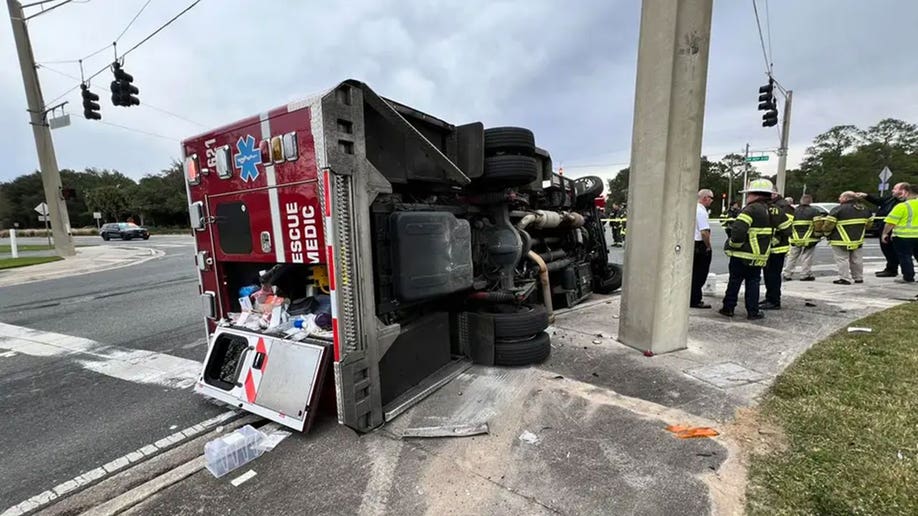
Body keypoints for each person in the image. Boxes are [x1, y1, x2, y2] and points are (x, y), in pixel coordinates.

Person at [719, 179, 775, 320]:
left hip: (742, 254)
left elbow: (738, 231)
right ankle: (753, 312)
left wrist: (733, 244)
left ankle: (728, 308)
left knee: (735, 281)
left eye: (749, 193)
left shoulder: (750, 209)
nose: (747, 196)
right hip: (759, 255)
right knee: (753, 282)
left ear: (755, 194)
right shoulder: (770, 210)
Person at [860, 183, 915, 277]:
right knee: (888, 250)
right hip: (885, 227)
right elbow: (879, 201)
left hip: (898, 230)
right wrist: (866, 196)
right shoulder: (891, 199)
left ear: (903, 191)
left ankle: (900, 272)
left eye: (895, 189)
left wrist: (885, 232)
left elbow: (892, 219)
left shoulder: (903, 203)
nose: (892, 190)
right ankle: (892, 268)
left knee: (901, 254)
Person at [826, 191, 871, 285]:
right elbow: (869, 224)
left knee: (842, 259)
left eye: (840, 197)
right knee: (857, 259)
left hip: (840, 239)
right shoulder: (864, 209)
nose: (839, 199)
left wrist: (826, 233)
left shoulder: (838, 209)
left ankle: (845, 278)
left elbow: (829, 225)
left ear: (846, 198)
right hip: (858, 240)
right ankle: (858, 277)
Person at [761, 192, 794, 309]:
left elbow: (787, 228)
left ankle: (774, 301)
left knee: (773, 275)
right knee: (768, 274)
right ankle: (770, 298)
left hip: (778, 246)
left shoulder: (784, 207)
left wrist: (775, 236)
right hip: (771, 247)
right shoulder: (773, 205)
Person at [881, 182, 918, 284]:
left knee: (905, 257)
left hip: (903, 237)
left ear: (906, 192)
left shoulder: (902, 206)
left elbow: (890, 222)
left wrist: (885, 233)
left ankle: (908, 277)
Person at [783, 194, 820, 281]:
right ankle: (805, 274)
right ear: (810, 201)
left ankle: (787, 273)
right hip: (810, 238)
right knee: (807, 256)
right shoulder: (815, 211)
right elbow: (818, 225)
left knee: (792, 256)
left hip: (795, 237)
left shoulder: (793, 211)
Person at [691, 189, 714, 308]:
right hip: (699, 245)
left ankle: (691, 297)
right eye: (711, 198)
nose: (712, 201)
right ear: (705, 198)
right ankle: (695, 299)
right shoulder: (701, 212)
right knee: (700, 274)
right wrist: (708, 246)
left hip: (692, 244)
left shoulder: (693, 208)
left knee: (693, 273)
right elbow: (704, 232)